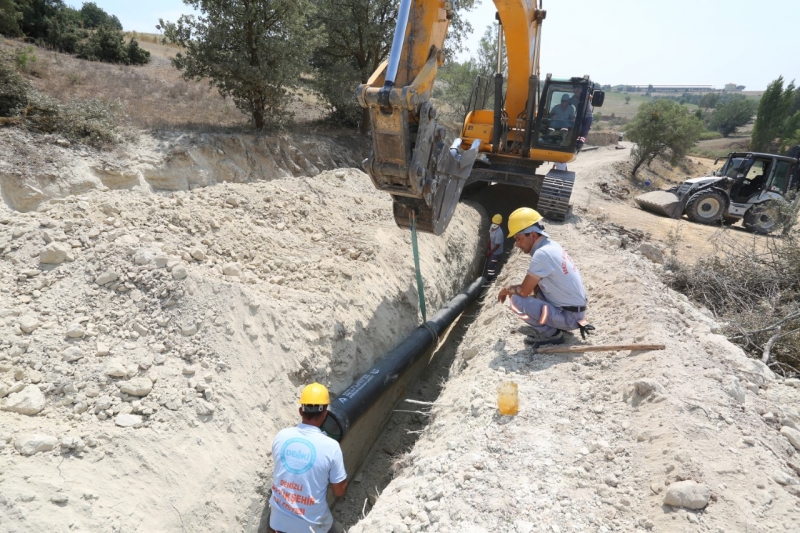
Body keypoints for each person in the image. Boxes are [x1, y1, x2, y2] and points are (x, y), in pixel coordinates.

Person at [497, 207, 595, 346]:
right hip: (575, 312)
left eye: (518, 239)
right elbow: (534, 288)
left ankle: (551, 334)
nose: (517, 244)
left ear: (533, 235)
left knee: (516, 300)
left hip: (569, 317)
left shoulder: (542, 254)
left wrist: (506, 289)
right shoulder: (551, 246)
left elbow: (524, 291)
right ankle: (554, 323)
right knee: (536, 290)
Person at [270, 383, 347, 533]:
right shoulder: (331, 446)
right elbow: (339, 491)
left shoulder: (281, 436)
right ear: (325, 414)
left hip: (278, 524)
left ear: (301, 411)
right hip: (312, 527)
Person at [568, 86, 593, 151]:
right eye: (575, 90)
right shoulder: (573, 98)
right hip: (579, 116)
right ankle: (574, 144)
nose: (577, 91)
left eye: (578, 90)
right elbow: (568, 104)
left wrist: (584, 95)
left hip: (588, 117)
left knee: (584, 132)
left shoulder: (586, 94)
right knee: (578, 130)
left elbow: (591, 97)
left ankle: (579, 145)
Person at [486, 214, 504, 280]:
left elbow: (497, 245)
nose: (495, 224)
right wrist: (489, 242)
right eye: (494, 222)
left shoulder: (499, 233)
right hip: (492, 247)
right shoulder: (491, 226)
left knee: (491, 265)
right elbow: (489, 234)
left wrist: (490, 252)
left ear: (500, 224)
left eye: (497, 223)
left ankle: (490, 278)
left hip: (497, 251)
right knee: (490, 261)